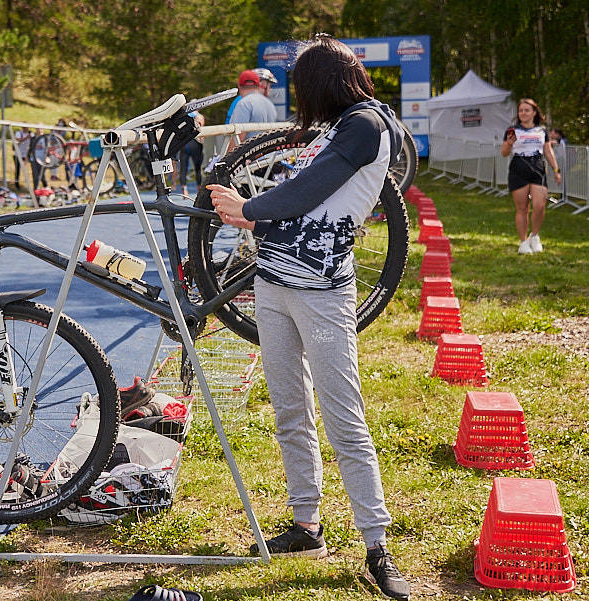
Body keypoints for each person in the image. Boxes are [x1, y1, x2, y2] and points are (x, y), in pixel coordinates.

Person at [208, 35, 410, 601]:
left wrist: (247, 209)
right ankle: (307, 524)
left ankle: (377, 545)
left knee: (344, 418)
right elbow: (307, 200)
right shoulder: (339, 127)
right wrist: (254, 216)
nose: (299, 101)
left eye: (301, 88)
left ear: (320, 83)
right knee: (290, 410)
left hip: (321, 291)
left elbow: (304, 194)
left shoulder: (366, 126)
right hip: (273, 281)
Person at [501, 98, 560, 254]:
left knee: (540, 206)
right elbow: (504, 153)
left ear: (534, 112)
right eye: (521, 110)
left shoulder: (541, 131)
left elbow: (548, 151)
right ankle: (523, 242)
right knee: (523, 208)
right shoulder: (512, 130)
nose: (523, 113)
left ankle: (534, 236)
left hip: (538, 169)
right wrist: (508, 143)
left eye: (527, 110)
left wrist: (556, 170)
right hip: (518, 170)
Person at [228, 69, 277, 150]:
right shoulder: (270, 104)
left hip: (250, 158)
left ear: (239, 87)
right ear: (258, 86)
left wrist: (226, 160)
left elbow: (239, 136)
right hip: (269, 156)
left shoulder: (243, 103)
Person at [178, 112, 205, 196]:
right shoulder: (199, 116)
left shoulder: (184, 116)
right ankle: (199, 189)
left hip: (185, 144)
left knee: (183, 168)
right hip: (195, 144)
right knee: (197, 169)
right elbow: (202, 133)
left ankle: (184, 190)